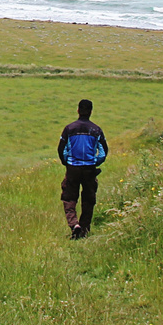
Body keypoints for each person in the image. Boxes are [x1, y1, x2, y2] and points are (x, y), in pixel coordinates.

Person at [58, 98, 107, 239]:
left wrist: (66, 162)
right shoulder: (96, 130)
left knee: (69, 198)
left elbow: (62, 149)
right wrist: (94, 162)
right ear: (91, 112)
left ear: (78, 110)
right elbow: (103, 152)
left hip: (73, 168)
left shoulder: (69, 128)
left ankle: (74, 225)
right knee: (88, 199)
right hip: (90, 169)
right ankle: (84, 230)